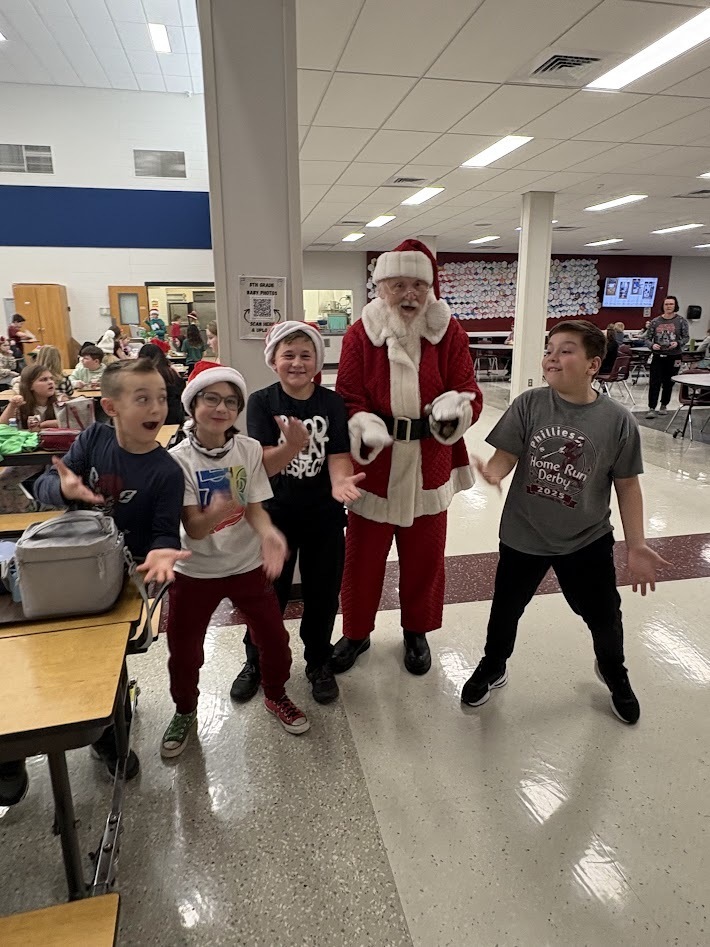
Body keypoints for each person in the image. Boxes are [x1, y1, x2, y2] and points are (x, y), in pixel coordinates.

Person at [0, 360, 189, 806]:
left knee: (104, 664)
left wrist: (163, 548)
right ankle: (10, 751)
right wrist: (64, 490)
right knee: (34, 648)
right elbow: (47, 483)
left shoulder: (166, 470)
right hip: (66, 563)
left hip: (119, 584)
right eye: (142, 398)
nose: (157, 407)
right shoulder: (94, 439)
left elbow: (165, 529)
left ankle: (108, 733)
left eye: (161, 397)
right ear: (111, 407)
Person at [462, 320, 670, 725]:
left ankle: (613, 672)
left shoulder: (617, 421)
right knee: (506, 608)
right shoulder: (530, 404)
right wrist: (493, 471)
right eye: (549, 349)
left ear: (594, 364)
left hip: (586, 539)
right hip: (524, 533)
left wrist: (637, 543)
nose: (552, 357)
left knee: (604, 614)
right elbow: (507, 454)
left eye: (566, 350)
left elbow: (628, 487)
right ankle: (494, 664)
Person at [332, 238, 481, 676]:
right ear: (381, 288)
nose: (409, 295)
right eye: (398, 285)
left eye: (418, 284)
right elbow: (347, 397)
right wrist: (362, 423)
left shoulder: (448, 329)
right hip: (375, 463)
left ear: (431, 287)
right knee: (361, 559)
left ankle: (417, 631)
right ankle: (356, 632)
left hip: (431, 458)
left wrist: (457, 409)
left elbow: (469, 389)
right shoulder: (361, 332)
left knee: (425, 558)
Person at [160, 361, 310, 758]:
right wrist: (221, 508)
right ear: (193, 404)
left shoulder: (246, 449)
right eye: (212, 399)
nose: (221, 408)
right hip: (194, 571)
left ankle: (276, 694)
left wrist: (269, 534)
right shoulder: (176, 460)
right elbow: (194, 528)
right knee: (185, 649)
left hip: (246, 567)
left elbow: (256, 508)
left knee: (275, 640)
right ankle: (185, 710)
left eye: (230, 401)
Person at [236, 322, 361, 705]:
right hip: (275, 515)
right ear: (273, 361)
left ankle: (318, 661)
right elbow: (264, 466)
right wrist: (291, 446)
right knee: (266, 595)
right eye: (288, 355)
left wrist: (340, 483)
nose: (297, 363)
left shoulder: (331, 403)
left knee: (323, 594)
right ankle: (257, 660)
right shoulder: (261, 402)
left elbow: (338, 454)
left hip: (324, 514)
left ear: (318, 363)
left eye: (306, 355)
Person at [645, 296, 689, 419]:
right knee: (654, 382)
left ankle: (664, 405)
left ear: (675, 306)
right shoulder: (655, 322)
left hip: (674, 356)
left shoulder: (681, 321)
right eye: (666, 304)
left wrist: (678, 343)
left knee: (668, 382)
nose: (668, 306)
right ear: (663, 306)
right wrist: (652, 345)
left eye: (671, 304)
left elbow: (686, 337)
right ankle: (652, 407)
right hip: (658, 355)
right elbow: (647, 338)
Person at [0, 363, 61, 431]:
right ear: (30, 385)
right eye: (43, 379)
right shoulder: (19, 405)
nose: (50, 382)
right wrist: (12, 406)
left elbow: (71, 424)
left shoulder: (60, 403)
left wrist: (47, 424)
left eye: (51, 378)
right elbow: (2, 427)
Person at [138, 343, 185, 425]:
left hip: (156, 419)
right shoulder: (171, 372)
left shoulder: (145, 376)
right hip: (176, 416)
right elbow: (182, 389)